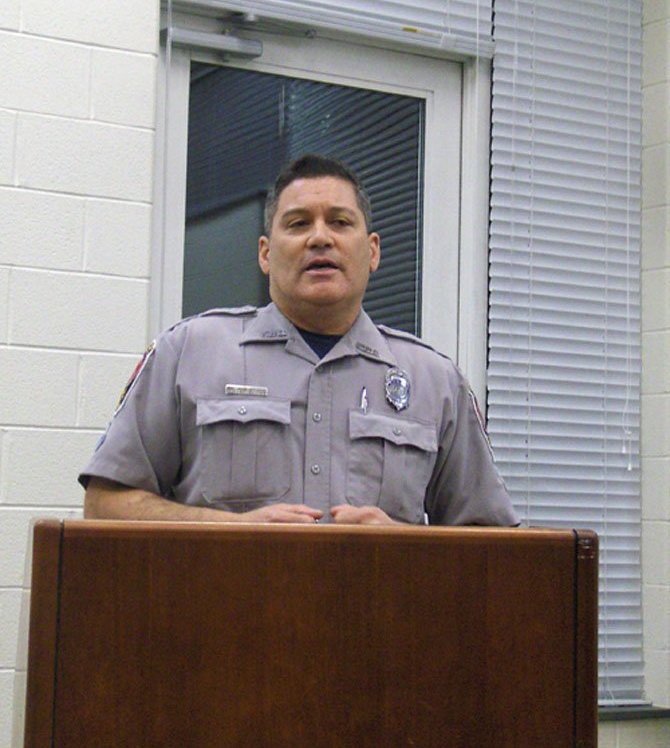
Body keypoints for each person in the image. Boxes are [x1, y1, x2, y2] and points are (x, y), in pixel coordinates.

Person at [81, 155, 517, 526]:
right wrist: (230, 527)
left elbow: (495, 543)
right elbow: (105, 504)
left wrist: (408, 544)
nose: (320, 237)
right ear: (266, 254)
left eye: (340, 222)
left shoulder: (435, 382)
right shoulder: (188, 353)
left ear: (373, 251)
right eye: (298, 223)